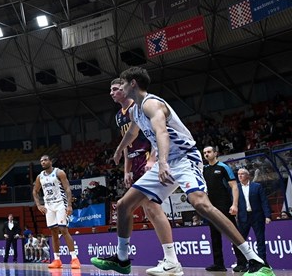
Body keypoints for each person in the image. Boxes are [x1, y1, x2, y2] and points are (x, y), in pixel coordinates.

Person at [91, 67, 273, 276]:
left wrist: (162, 162)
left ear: (132, 83)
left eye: (121, 84)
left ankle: (256, 261)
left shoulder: (152, 103)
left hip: (184, 159)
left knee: (200, 204)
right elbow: (132, 132)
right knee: (124, 205)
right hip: (167, 160)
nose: (119, 89)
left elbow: (161, 133)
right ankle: (123, 260)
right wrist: (118, 149)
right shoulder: (135, 110)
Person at [110, 78, 180, 271]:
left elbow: (155, 133)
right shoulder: (119, 116)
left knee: (151, 207)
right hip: (135, 162)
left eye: (115, 89)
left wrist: (153, 160)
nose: (112, 93)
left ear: (126, 89)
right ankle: (169, 259)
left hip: (150, 157)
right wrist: (126, 169)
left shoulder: (142, 105)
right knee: (147, 208)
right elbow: (128, 142)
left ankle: (170, 259)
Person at [32, 155, 80, 269]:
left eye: (45, 160)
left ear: (50, 161)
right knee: (53, 232)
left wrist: (69, 205)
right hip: (49, 206)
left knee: (63, 229)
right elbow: (35, 191)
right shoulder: (40, 177)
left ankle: (74, 258)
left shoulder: (59, 172)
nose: (43, 162)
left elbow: (67, 188)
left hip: (60, 204)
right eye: (41, 161)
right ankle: (57, 259)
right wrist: (39, 205)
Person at [202, 146, 241, 272]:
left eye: (208, 152)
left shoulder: (223, 167)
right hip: (210, 207)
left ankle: (242, 262)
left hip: (224, 204)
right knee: (214, 235)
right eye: (204, 153)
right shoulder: (204, 169)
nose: (206, 154)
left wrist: (234, 205)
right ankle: (219, 264)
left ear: (215, 153)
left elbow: (234, 186)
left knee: (232, 232)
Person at [236, 168, 272, 269]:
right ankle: (242, 263)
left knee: (260, 240)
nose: (240, 176)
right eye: (238, 174)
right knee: (240, 241)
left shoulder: (257, 186)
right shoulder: (236, 188)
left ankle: (262, 262)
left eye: (242, 174)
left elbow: (264, 201)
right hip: (243, 217)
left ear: (248, 175)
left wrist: (267, 216)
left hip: (257, 216)